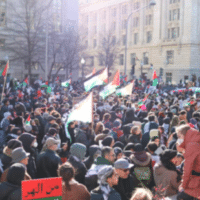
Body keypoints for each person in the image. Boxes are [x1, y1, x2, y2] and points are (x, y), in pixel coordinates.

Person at [176, 124, 200, 200]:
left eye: (179, 136)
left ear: (183, 134)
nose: (179, 139)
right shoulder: (196, 139)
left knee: (180, 197)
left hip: (196, 179)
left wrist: (183, 185)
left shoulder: (191, 145)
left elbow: (187, 168)